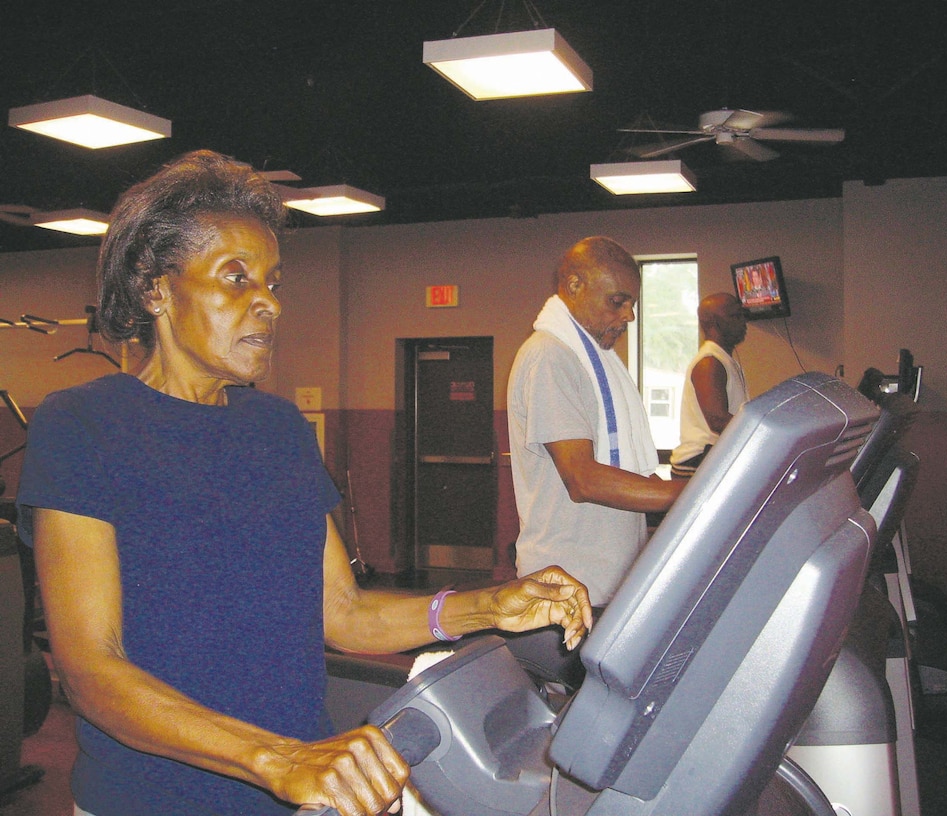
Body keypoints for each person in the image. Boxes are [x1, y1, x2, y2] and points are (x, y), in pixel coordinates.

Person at [15, 150, 592, 816]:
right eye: (237, 279)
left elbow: (343, 612)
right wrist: (277, 758)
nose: (268, 304)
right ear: (155, 289)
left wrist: (490, 606)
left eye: (273, 282)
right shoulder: (84, 424)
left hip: (300, 795)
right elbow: (91, 671)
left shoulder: (280, 429)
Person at [507, 236, 683, 606]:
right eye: (617, 302)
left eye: (632, 304)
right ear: (574, 285)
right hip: (567, 587)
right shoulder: (550, 356)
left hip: (605, 583)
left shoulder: (595, 360)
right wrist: (694, 494)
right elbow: (582, 478)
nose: (629, 316)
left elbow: (622, 470)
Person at [669, 291, 749, 480]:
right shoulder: (709, 362)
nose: (743, 321)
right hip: (696, 463)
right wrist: (761, 435)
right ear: (713, 323)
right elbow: (717, 420)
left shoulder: (724, 359)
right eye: (735, 316)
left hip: (711, 459)